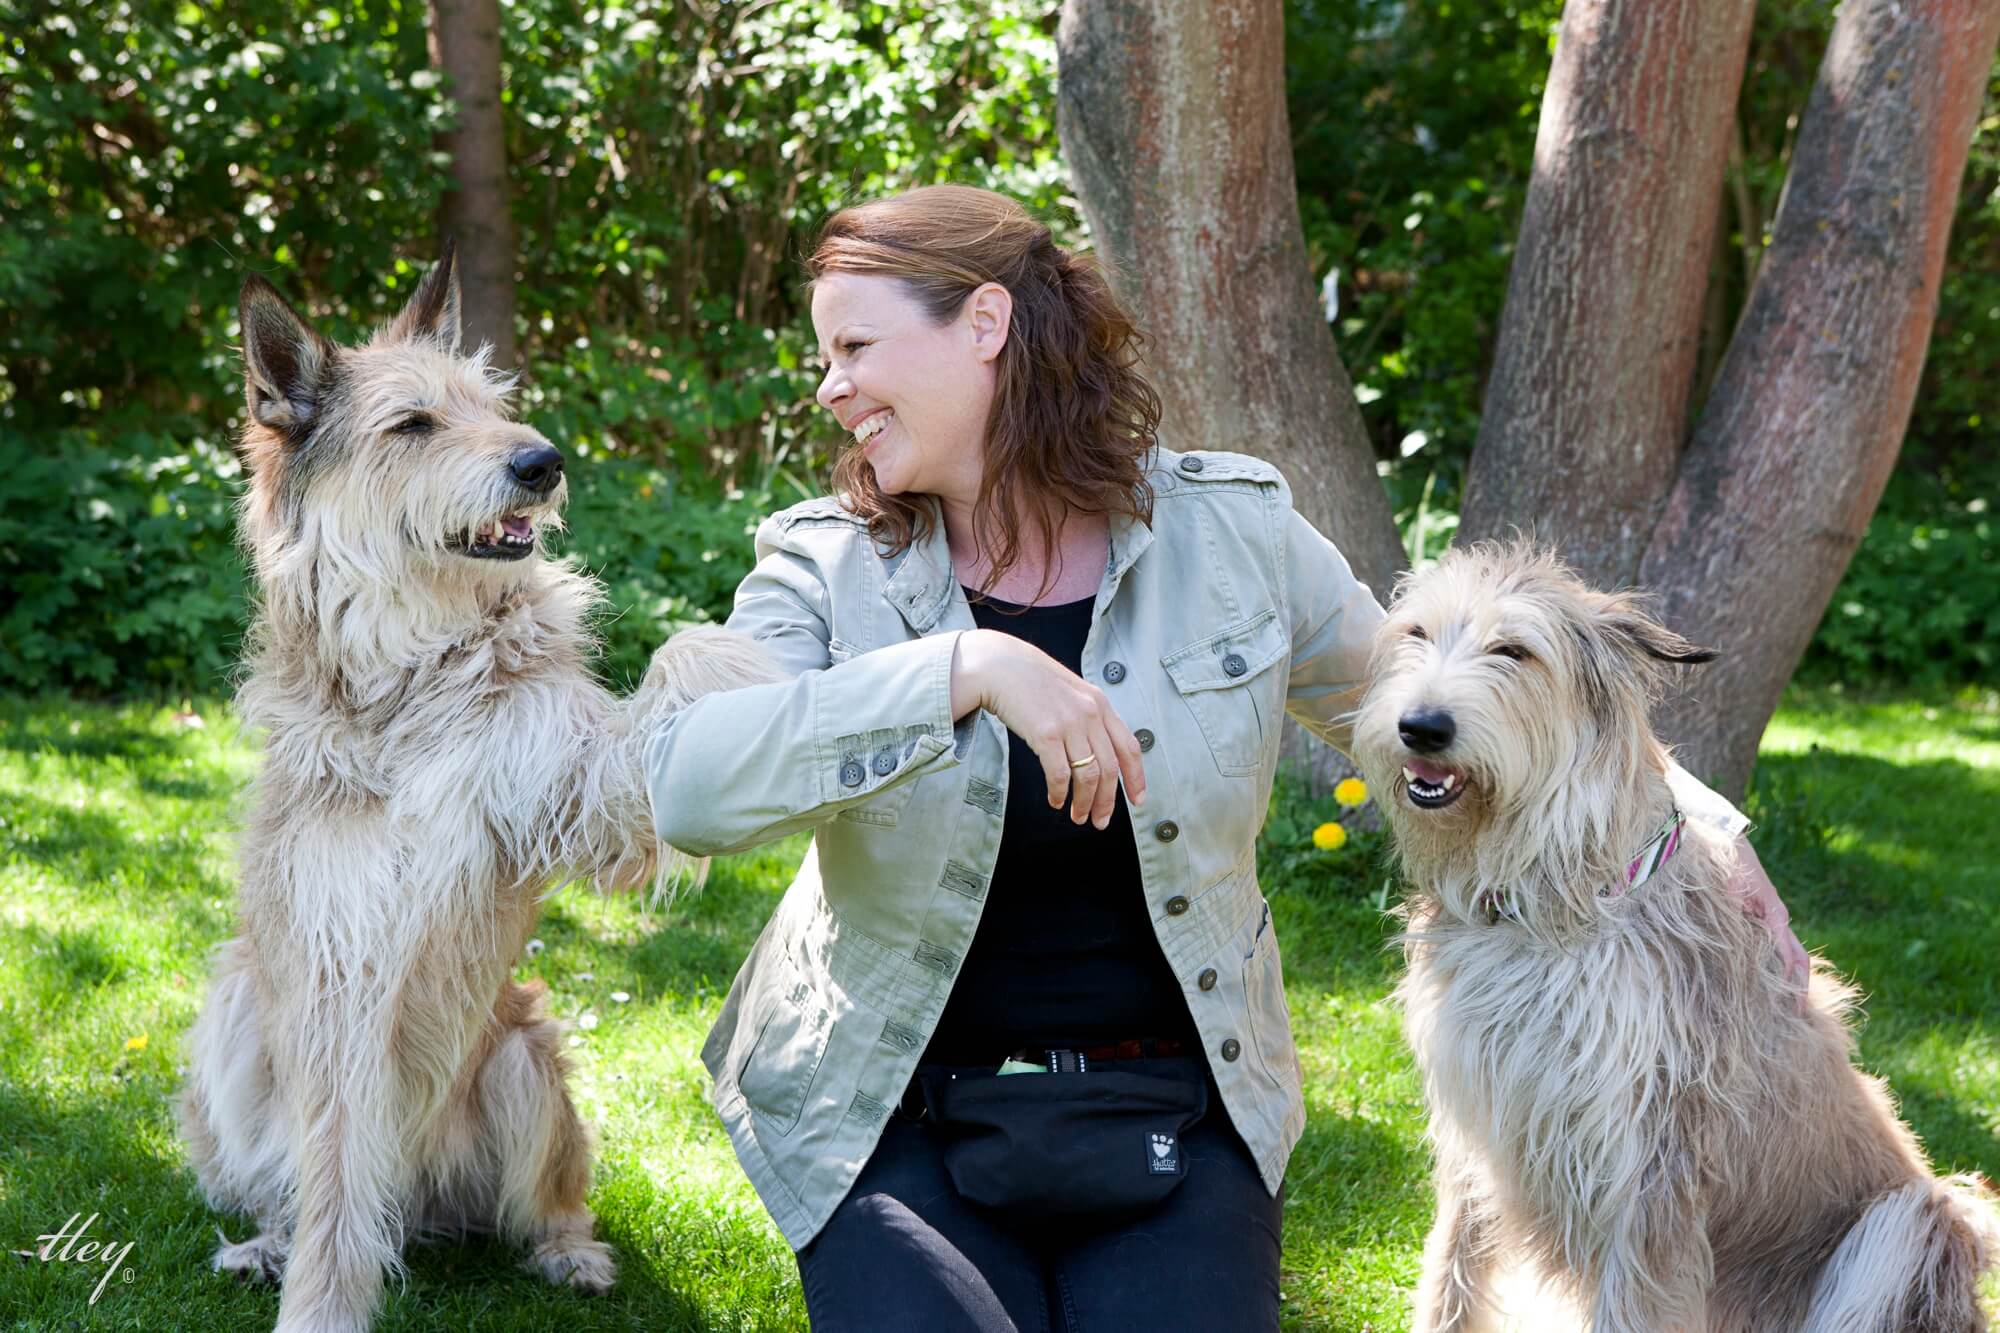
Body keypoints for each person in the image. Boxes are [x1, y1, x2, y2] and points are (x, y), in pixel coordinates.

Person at [644, 184, 1806, 1331]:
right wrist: (965, 670)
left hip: (1173, 1098)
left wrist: (1699, 819)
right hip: (888, 1102)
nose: (830, 385)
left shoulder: (1232, 538)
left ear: (985, 326)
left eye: (854, 345)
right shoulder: (817, 567)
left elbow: (1436, 700)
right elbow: (693, 789)